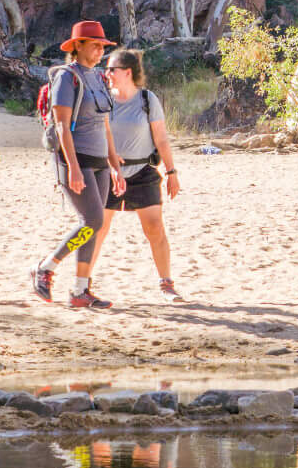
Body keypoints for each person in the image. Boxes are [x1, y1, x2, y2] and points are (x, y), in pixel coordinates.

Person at [30, 21, 123, 311]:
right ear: (77, 46)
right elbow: (61, 125)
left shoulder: (98, 78)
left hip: (99, 163)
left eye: (102, 46)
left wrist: (114, 163)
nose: (99, 50)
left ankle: (81, 290)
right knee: (93, 221)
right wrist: (71, 167)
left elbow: (105, 125)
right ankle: (45, 267)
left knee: (94, 225)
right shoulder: (66, 78)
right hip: (75, 161)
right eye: (94, 45)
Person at [90, 48, 184, 299]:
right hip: (108, 172)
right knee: (99, 228)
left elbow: (161, 138)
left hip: (143, 171)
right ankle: (84, 283)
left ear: (127, 72)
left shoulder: (147, 99)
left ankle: (166, 284)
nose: (106, 73)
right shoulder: (103, 99)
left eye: (111, 69)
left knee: (154, 228)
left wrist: (171, 171)